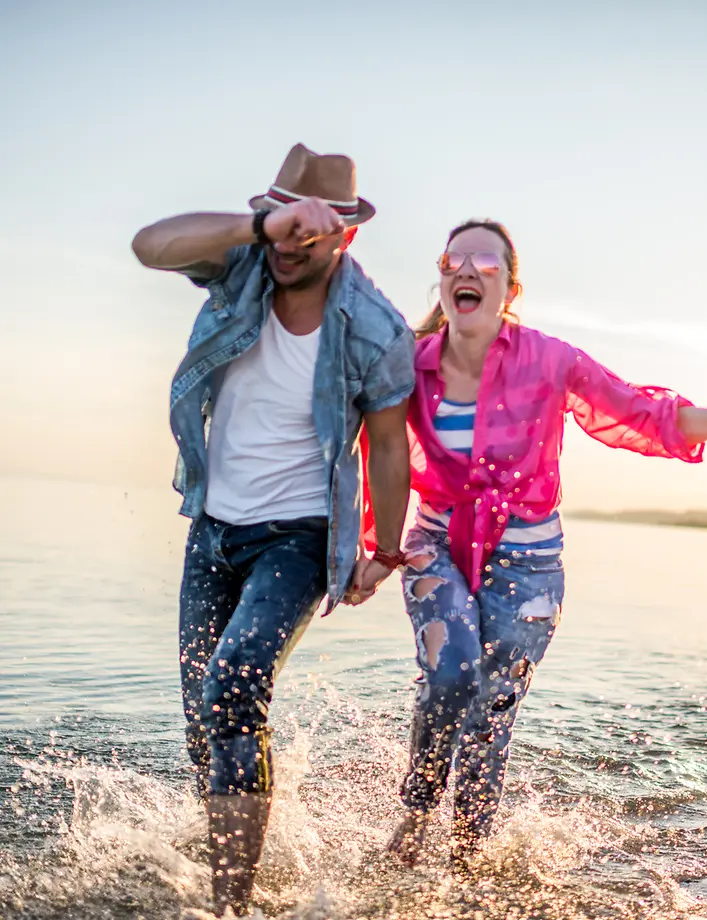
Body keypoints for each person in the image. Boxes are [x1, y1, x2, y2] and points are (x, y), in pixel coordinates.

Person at [377, 217, 707, 869]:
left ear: (510, 288)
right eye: (455, 259)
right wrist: (363, 549)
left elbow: (649, 416)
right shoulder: (408, 366)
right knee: (449, 674)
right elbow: (372, 448)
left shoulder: (551, 361)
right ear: (442, 277)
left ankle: (467, 856)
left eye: (487, 261)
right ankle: (416, 813)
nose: (468, 269)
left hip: (529, 560)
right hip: (437, 545)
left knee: (493, 701)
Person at [131, 143, 414, 917]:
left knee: (234, 686)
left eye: (306, 237)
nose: (288, 251)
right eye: (279, 230)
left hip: (298, 537)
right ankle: (236, 825)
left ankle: (231, 903)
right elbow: (148, 245)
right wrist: (265, 225)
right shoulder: (242, 264)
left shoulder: (376, 327)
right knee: (205, 713)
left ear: (344, 236)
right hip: (214, 530)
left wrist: (384, 552)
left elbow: (389, 445)